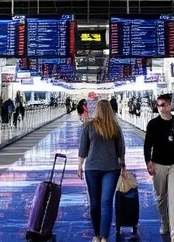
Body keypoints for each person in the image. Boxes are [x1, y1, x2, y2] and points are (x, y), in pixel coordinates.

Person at [143, 93, 174, 242]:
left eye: (163, 105)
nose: (160, 108)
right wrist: (148, 162)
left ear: (170, 105)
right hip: (159, 164)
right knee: (161, 197)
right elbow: (147, 145)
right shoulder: (153, 124)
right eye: (158, 105)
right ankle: (165, 221)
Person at [78, 100, 126, 242]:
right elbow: (121, 150)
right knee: (105, 202)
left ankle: (98, 235)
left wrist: (79, 166)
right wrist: (123, 166)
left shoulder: (91, 126)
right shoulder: (114, 127)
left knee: (96, 202)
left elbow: (83, 149)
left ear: (97, 109)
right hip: (110, 168)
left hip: (93, 168)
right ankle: (103, 236)